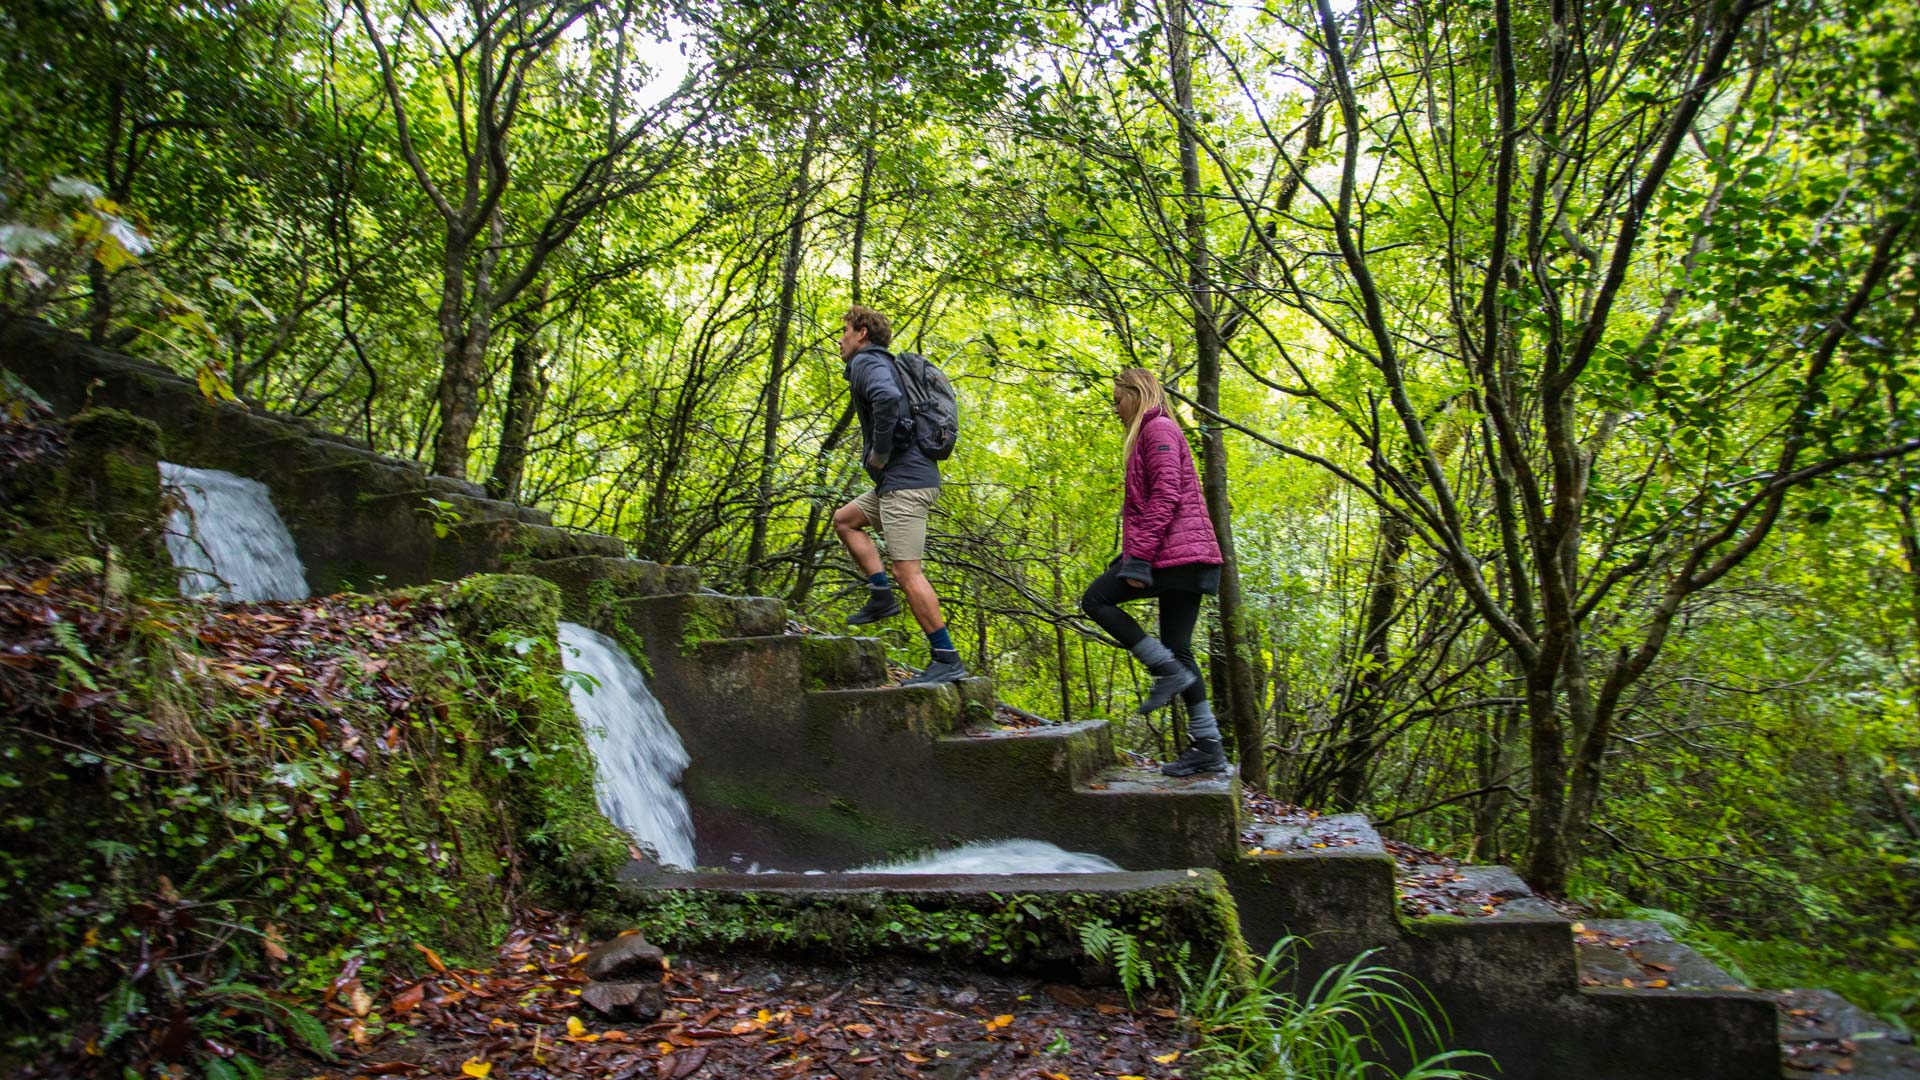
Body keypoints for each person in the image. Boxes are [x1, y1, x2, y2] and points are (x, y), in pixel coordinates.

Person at [1080, 368, 1230, 777]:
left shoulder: (1158, 428)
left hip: (1179, 558)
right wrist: (1131, 555)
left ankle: (1163, 670)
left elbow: (1167, 493)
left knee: (1095, 599)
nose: (1115, 410)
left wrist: (1139, 558)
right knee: (1179, 648)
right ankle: (1209, 746)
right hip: (1186, 558)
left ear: (1135, 393)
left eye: (1117, 400)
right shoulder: (1157, 429)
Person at [831, 305, 969, 685]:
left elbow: (888, 401)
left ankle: (946, 656)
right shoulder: (883, 363)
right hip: (902, 481)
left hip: (904, 484)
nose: (839, 338)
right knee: (845, 520)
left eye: (844, 330)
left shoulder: (866, 363)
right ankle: (880, 595)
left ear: (861, 333)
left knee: (907, 571)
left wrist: (879, 453)